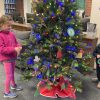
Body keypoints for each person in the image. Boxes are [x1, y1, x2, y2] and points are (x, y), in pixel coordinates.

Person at [0, 15, 22, 98]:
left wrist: (19, 47)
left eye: (11, 25)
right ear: (1, 25)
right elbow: (2, 49)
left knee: (12, 73)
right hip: (6, 59)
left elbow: (16, 43)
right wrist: (14, 49)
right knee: (8, 75)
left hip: (13, 57)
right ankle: (6, 92)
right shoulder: (0, 35)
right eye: (8, 25)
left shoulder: (11, 34)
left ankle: (13, 85)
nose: (10, 27)